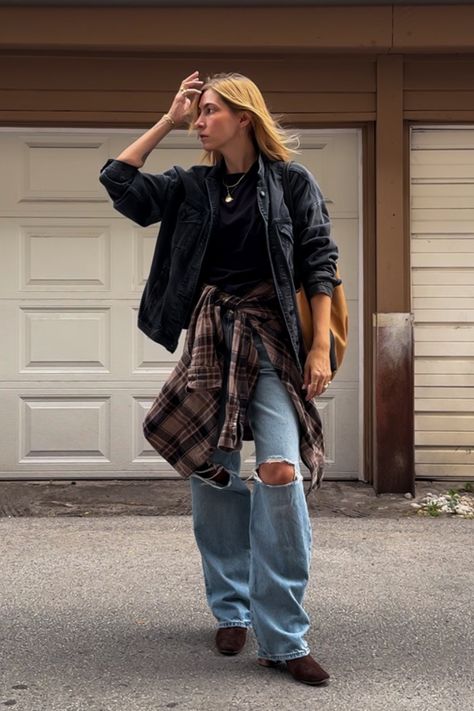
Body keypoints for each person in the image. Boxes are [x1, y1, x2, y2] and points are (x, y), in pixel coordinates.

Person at [99, 71, 340, 686]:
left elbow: (319, 259)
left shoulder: (291, 183)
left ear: (244, 117)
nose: (200, 120)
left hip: (272, 340)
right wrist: (167, 118)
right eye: (197, 111)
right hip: (212, 339)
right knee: (216, 475)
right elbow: (119, 182)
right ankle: (231, 609)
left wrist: (318, 347)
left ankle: (284, 636)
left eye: (208, 111)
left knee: (280, 471)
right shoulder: (190, 186)